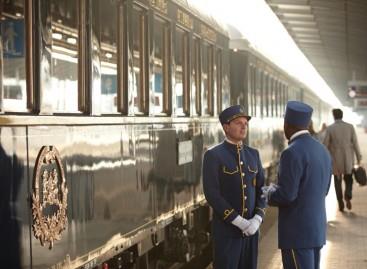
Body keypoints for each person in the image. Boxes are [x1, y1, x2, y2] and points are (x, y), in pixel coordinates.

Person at [262, 101, 332, 269]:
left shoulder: (291, 152)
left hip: (297, 233)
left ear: (287, 125)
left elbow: (287, 195)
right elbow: (326, 189)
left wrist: (267, 193)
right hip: (316, 231)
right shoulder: (322, 150)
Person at [202, 105, 266, 269]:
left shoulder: (253, 154)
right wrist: (239, 222)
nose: (244, 126)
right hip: (227, 233)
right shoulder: (214, 155)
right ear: (226, 127)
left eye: (245, 122)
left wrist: (257, 219)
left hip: (251, 232)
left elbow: (262, 190)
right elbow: (212, 194)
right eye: (238, 122)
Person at [323, 108, 362, 211]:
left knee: (337, 181)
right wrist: (359, 157)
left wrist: (323, 159)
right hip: (348, 160)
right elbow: (355, 143)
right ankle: (348, 196)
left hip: (335, 161)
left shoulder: (330, 128)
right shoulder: (350, 127)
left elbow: (325, 145)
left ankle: (340, 202)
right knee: (349, 179)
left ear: (334, 116)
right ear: (342, 115)